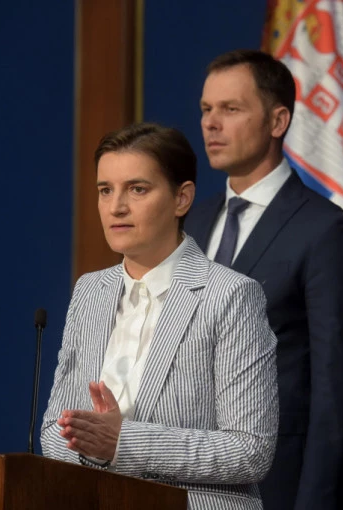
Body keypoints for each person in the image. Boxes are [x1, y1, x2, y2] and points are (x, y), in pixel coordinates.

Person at [41, 122, 279, 509]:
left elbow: (250, 450)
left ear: (181, 199)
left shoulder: (230, 296)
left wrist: (123, 442)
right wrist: (98, 451)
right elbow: (55, 429)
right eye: (105, 190)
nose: (116, 207)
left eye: (137, 189)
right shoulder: (90, 291)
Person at [185, 49, 343, 509]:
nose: (211, 124)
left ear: (277, 121)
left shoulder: (327, 232)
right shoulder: (191, 223)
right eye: (206, 109)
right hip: (184, 483)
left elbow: (336, 392)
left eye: (231, 109)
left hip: (275, 489)